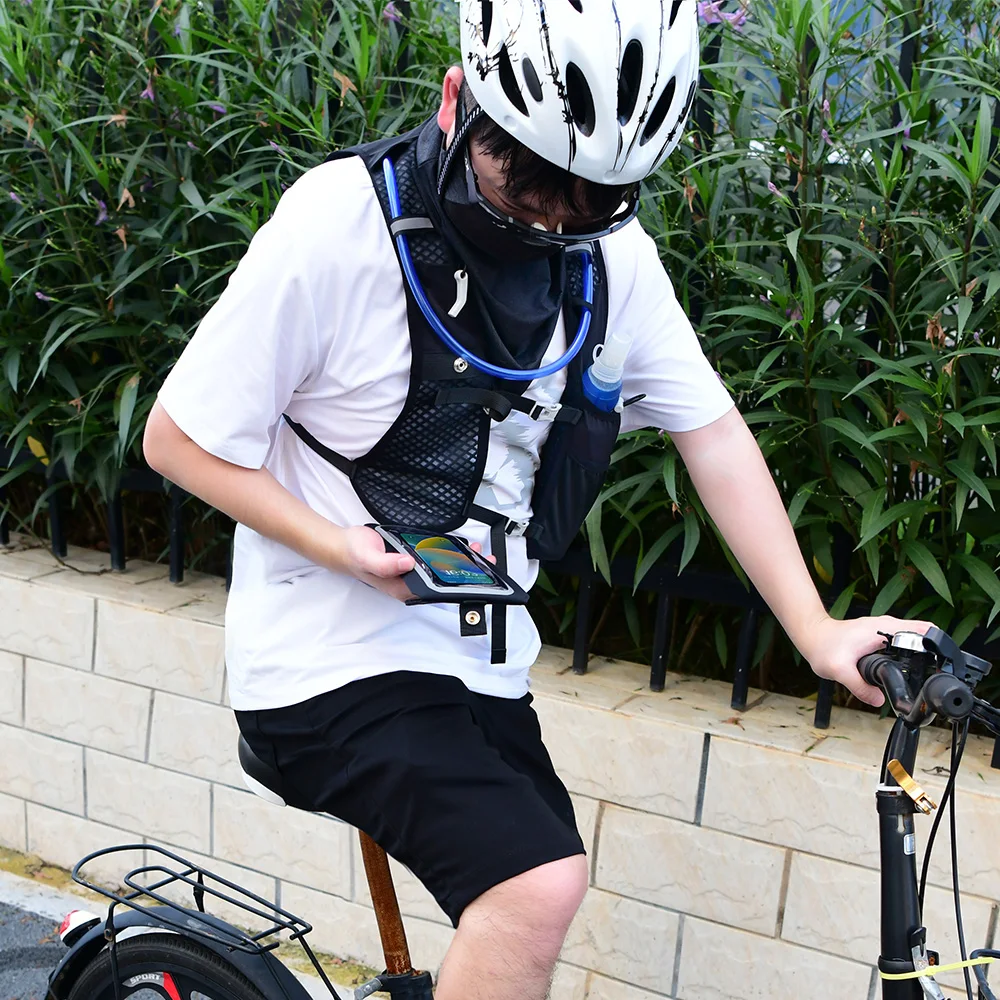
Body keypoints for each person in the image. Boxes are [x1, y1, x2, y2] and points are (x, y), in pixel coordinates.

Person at [143, 4, 926, 1000]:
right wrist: (340, 545)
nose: (548, 226)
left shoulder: (612, 263)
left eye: (587, 204)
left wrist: (815, 631)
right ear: (454, 103)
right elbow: (176, 440)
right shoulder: (339, 224)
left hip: (476, 658)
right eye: (526, 189)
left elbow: (713, 433)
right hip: (323, 653)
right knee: (535, 884)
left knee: (540, 895)